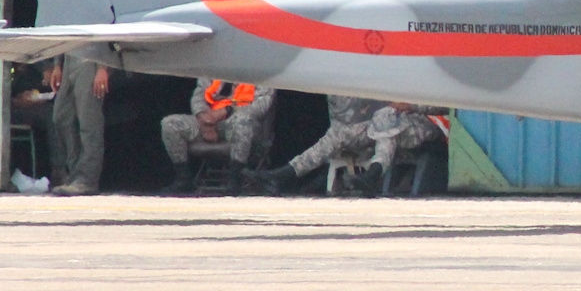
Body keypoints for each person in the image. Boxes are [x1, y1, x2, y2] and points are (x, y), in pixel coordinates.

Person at [250, 100, 447, 197]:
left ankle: (373, 174)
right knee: (339, 134)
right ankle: (284, 174)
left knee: (386, 120)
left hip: (430, 127)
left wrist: (414, 105)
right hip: (387, 122)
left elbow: (446, 105)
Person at [159, 79, 275, 195]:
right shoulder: (213, 68)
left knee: (242, 123)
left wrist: (226, 111)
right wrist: (204, 119)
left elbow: (261, 105)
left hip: (239, 121)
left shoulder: (261, 71)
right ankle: (183, 179)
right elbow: (198, 97)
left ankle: (235, 180)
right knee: (170, 123)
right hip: (207, 119)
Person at [50, 57, 112, 197]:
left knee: (89, 123)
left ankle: (87, 179)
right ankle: (74, 174)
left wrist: (103, 67)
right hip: (70, 59)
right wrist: (57, 65)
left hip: (91, 60)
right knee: (61, 117)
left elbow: (104, 38)